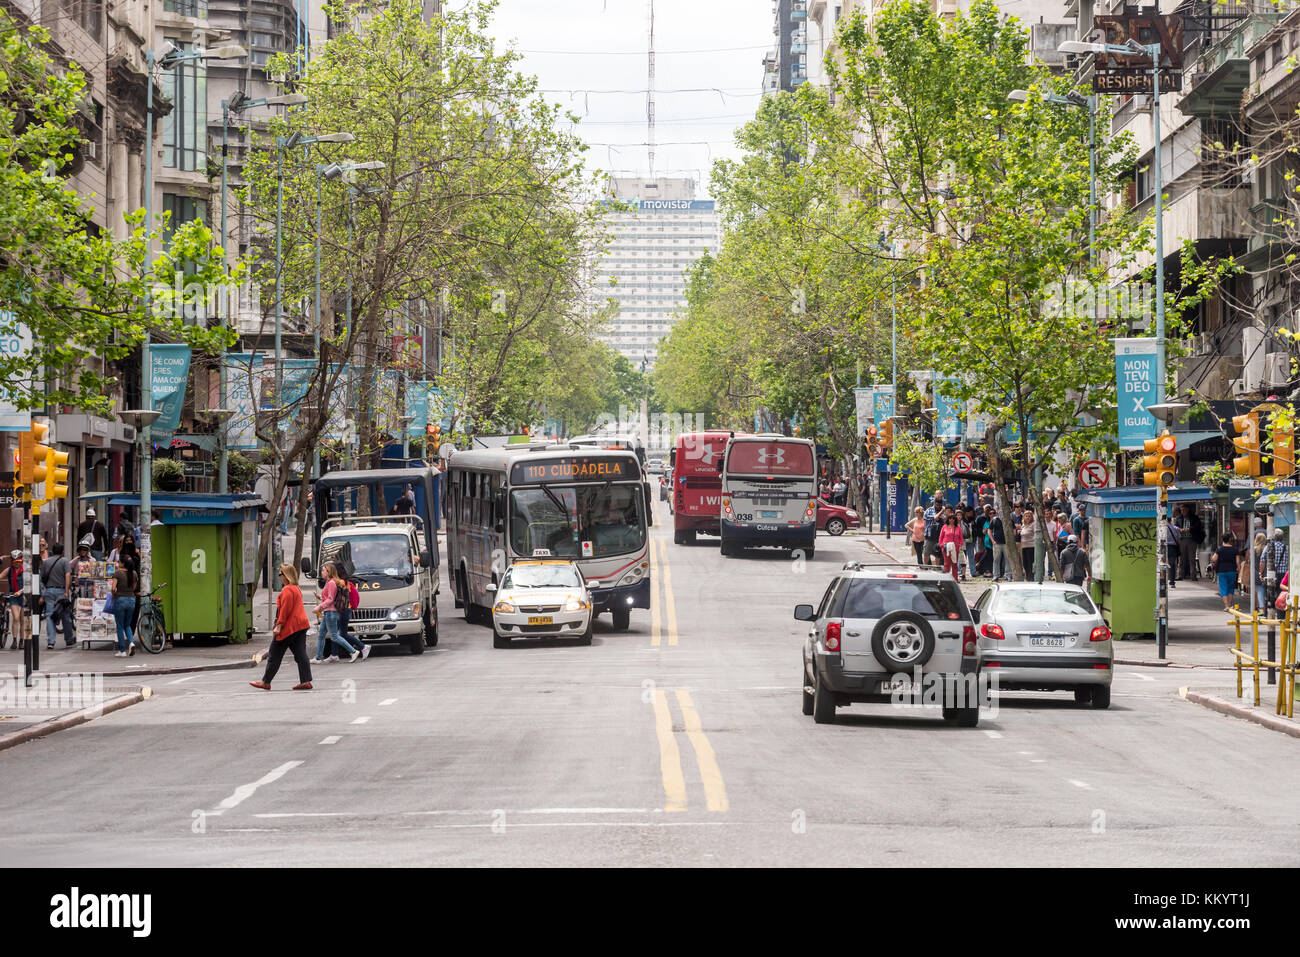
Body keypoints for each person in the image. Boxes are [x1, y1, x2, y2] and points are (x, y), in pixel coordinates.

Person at [250, 564, 313, 691]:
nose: (279, 577)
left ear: (286, 576)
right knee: (300, 654)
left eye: (281, 574)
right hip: (300, 625)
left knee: (274, 654)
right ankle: (305, 680)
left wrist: (278, 626)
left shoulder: (287, 590)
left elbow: (284, 611)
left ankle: (265, 681)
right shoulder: (296, 588)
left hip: (289, 627)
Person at [313, 563, 362, 662]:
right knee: (321, 634)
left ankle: (353, 651)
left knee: (334, 636)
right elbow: (330, 597)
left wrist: (319, 607)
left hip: (331, 613)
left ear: (329, 572)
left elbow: (331, 599)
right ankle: (318, 657)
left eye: (323, 570)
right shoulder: (328, 582)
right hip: (327, 612)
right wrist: (320, 597)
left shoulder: (331, 583)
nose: (321, 572)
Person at [39, 543, 74, 650]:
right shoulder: (64, 561)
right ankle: (69, 639)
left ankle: (51, 641)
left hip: (49, 591)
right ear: (62, 551)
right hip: (61, 591)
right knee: (65, 615)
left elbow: (41, 578)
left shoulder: (46, 562)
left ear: (52, 551)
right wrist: (67, 591)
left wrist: (43, 593)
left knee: (50, 616)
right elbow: (67, 575)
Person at [335, 565, 371, 660]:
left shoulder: (341, 582)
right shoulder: (345, 581)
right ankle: (334, 654)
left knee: (342, 634)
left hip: (344, 610)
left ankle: (362, 647)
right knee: (337, 633)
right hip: (345, 610)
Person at [110, 552, 138, 657]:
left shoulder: (117, 573)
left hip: (120, 600)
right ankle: (131, 642)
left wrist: (114, 594)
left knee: (120, 626)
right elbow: (134, 588)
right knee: (127, 625)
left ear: (122, 563)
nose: (118, 563)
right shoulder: (134, 573)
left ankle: (122, 651)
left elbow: (113, 588)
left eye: (119, 561)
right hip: (131, 600)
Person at [1211, 533, 1241, 612]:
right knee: (1231, 588)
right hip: (1232, 571)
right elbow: (1238, 562)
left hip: (1222, 571)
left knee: (1223, 588)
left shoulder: (1220, 549)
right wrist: (1239, 570)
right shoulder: (1235, 550)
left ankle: (1226, 606)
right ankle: (1230, 606)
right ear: (1229, 540)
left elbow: (1214, 559)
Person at [985, 505, 1008, 581]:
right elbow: (989, 530)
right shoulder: (994, 520)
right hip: (997, 543)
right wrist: (992, 540)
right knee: (996, 559)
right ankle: (996, 575)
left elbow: (1013, 529)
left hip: (1006, 543)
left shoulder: (1008, 519)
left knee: (1007, 559)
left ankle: (1008, 574)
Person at [939, 514, 964, 581]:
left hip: (955, 548)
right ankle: (946, 579)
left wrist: (960, 545)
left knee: (954, 563)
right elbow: (941, 537)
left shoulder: (958, 527)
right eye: (950, 518)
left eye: (953, 518)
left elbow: (961, 538)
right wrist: (942, 545)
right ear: (948, 519)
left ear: (955, 519)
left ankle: (955, 579)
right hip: (946, 547)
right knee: (946, 563)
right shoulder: (944, 527)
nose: (951, 520)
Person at [6, 550, 23, 650]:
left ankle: (22, 641)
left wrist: (20, 591)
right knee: (16, 618)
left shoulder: (25, 570)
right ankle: (14, 640)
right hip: (14, 597)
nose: (17, 563)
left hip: (23, 597)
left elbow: (29, 584)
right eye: (15, 561)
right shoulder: (9, 570)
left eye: (19, 561)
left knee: (22, 620)